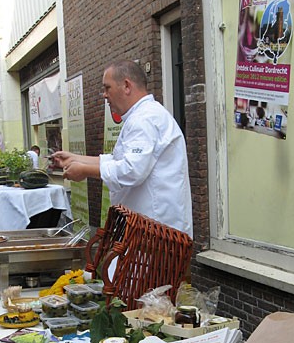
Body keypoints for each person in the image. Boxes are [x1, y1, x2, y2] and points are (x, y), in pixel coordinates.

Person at [51, 59, 193, 236]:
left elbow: (132, 170)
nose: (104, 95)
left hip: (153, 233)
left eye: (107, 88)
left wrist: (85, 170)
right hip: (145, 230)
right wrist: (75, 158)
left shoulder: (145, 119)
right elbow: (118, 159)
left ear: (126, 86)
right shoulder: (142, 116)